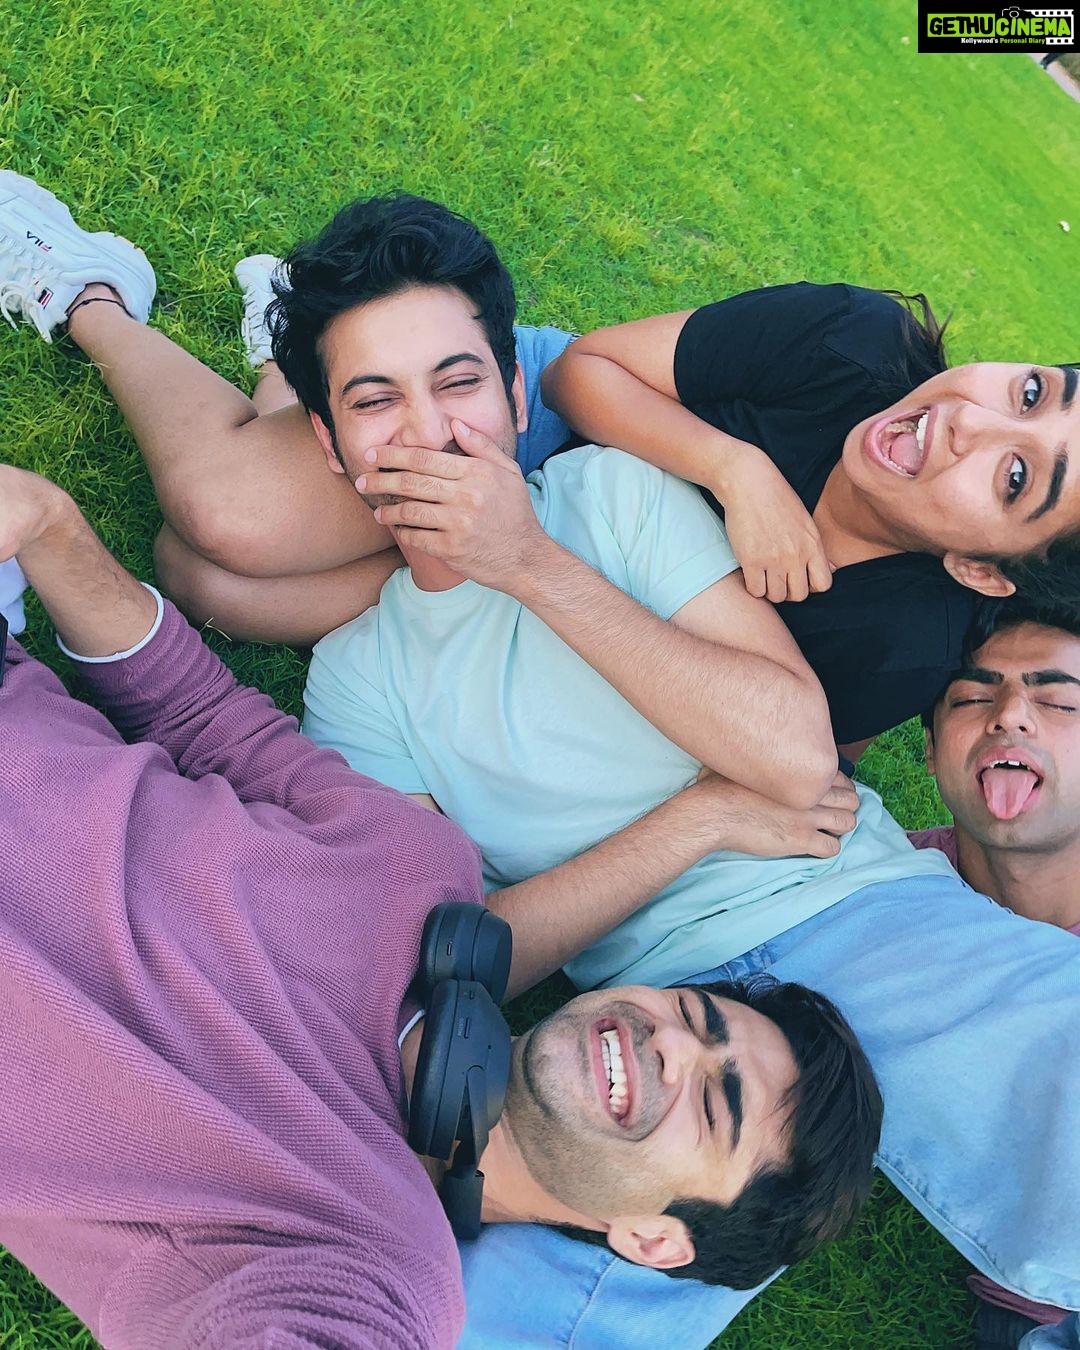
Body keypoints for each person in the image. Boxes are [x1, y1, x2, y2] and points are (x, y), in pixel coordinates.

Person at [0, 464, 882, 1348]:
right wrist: (50, 526)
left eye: (716, 1104)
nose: (673, 1045)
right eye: (694, 1015)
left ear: (651, 1240)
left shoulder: (373, 1257)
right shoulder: (420, 867)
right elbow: (202, 715)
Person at [3, 170, 1080, 752]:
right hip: (532, 422)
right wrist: (734, 470)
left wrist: (523, 566)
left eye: (1016, 478)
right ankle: (97, 295)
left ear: (987, 570)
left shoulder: (901, 639)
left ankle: (301, 377)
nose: (971, 423)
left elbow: (745, 741)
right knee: (226, 516)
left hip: (549, 584)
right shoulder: (853, 344)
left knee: (210, 585)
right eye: (1031, 392)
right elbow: (581, 374)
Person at [912, 597, 1080, 1349]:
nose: (1009, 715)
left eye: (1060, 701)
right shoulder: (873, 897)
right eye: (972, 697)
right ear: (929, 750)